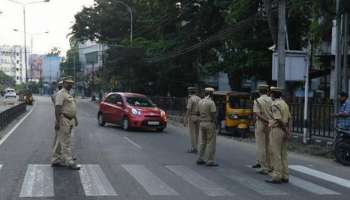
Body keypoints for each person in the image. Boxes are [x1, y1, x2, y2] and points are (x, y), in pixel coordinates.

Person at [53, 76, 80, 170]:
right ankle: (69, 161)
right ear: (64, 83)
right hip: (64, 119)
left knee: (61, 141)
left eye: (71, 83)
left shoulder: (68, 94)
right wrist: (57, 121)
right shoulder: (61, 94)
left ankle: (55, 159)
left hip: (70, 119)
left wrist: (75, 119)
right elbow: (57, 108)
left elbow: (71, 107)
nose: (70, 85)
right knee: (66, 141)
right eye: (68, 83)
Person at [265, 87, 291, 184]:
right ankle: (285, 175)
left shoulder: (275, 105)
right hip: (283, 130)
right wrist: (288, 130)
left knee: (275, 154)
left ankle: (277, 176)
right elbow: (289, 118)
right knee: (283, 154)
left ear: (273, 94)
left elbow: (278, 119)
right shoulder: (284, 104)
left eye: (270, 94)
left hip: (277, 130)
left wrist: (285, 130)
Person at [252, 84, 272, 175]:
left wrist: (265, 120)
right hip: (270, 124)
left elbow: (257, 114)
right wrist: (270, 120)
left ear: (259, 91)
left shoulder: (257, 100)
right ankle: (270, 165)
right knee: (269, 145)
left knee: (261, 146)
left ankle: (264, 167)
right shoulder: (271, 100)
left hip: (261, 123)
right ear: (267, 91)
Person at [197, 87, 218, 167]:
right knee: (210, 142)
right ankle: (210, 160)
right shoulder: (211, 102)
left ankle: (200, 158)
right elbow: (213, 114)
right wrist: (216, 123)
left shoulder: (200, 101)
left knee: (203, 141)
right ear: (211, 94)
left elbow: (198, 112)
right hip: (209, 123)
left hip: (202, 123)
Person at [184, 87, 201, 153]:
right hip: (199, 117)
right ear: (195, 92)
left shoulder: (191, 99)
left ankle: (194, 148)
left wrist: (185, 119)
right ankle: (196, 146)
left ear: (189, 92)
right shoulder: (199, 98)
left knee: (192, 133)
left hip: (192, 116)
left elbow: (188, 110)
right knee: (197, 133)